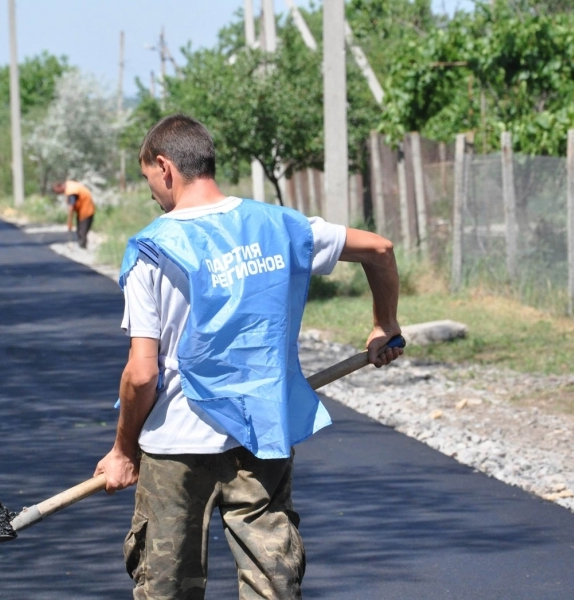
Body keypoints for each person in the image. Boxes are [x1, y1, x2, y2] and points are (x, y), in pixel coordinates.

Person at [94, 114, 403, 600]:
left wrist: (124, 450)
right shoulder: (281, 225)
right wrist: (386, 324)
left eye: (149, 179)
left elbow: (141, 373)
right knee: (271, 583)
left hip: (177, 447)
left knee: (166, 587)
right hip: (261, 438)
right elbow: (380, 250)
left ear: (165, 167)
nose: (152, 192)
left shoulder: (151, 250)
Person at [53, 180, 96, 249]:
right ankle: (81, 244)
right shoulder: (69, 185)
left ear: (60, 187)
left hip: (86, 208)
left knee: (82, 229)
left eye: (57, 191)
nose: (58, 193)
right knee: (80, 228)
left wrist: (69, 221)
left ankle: (83, 245)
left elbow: (71, 206)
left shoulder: (71, 191)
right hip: (82, 208)